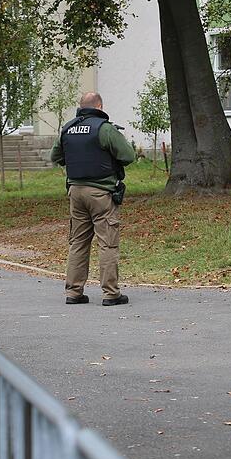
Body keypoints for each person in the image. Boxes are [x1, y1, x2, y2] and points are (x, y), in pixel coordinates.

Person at [51, 92, 136, 307]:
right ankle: (110, 293)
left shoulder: (68, 128)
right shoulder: (104, 128)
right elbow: (127, 156)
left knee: (78, 242)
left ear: (81, 106)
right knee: (107, 243)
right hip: (101, 193)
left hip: (75, 192)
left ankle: (74, 292)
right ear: (99, 105)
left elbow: (55, 157)